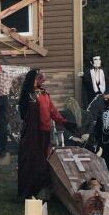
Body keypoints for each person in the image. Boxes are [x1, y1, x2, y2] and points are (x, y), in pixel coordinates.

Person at [17, 69, 72, 199]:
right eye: (38, 77)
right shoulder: (28, 95)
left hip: (45, 133)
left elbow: (52, 111)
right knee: (31, 160)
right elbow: (23, 113)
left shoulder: (44, 94)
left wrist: (64, 122)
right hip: (32, 133)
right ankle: (29, 192)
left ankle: (43, 190)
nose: (41, 79)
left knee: (43, 161)